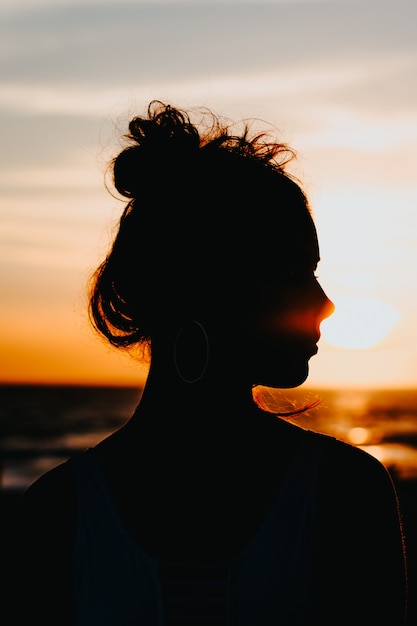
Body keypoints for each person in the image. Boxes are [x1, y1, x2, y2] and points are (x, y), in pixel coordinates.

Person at [5, 101, 407, 625]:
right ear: (206, 284)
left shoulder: (344, 495)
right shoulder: (59, 514)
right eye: (292, 271)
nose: (325, 301)